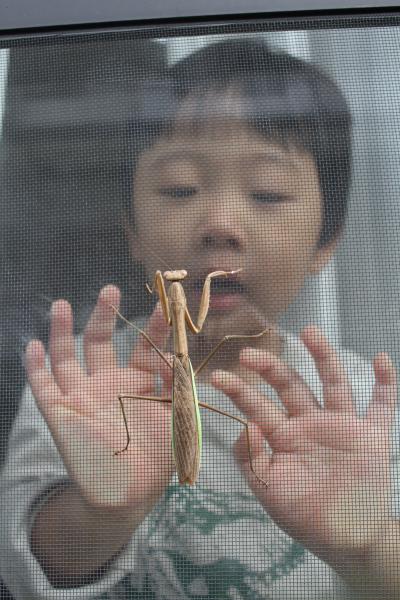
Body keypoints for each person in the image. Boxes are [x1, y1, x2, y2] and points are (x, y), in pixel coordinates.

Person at [0, 38, 399, 600]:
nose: (219, 223)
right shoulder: (81, 387)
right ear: (133, 233)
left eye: (266, 194)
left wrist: (370, 547)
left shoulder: (362, 405)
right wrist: (100, 515)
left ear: (324, 242)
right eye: (180, 189)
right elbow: (24, 573)